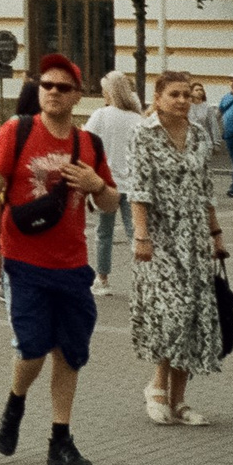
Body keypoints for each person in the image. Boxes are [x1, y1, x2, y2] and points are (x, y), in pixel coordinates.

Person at [0, 53, 120, 465]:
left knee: (70, 353)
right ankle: (15, 402)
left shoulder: (87, 144)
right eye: (47, 85)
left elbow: (110, 201)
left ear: (78, 96)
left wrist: (98, 185)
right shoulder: (16, 131)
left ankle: (61, 439)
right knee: (33, 348)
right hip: (23, 262)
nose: (53, 92)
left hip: (73, 265)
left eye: (63, 87)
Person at [130, 69, 228, 427]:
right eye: (174, 94)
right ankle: (156, 386)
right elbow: (138, 190)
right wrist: (141, 237)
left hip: (195, 238)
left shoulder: (200, 134)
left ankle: (180, 399)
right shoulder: (144, 134)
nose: (183, 100)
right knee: (172, 312)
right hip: (160, 240)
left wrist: (216, 234)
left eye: (187, 94)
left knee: (193, 316)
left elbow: (206, 189)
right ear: (157, 99)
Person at [84, 71, 142, 297]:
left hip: (107, 184)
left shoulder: (101, 115)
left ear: (111, 92)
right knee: (135, 233)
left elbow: (86, 142)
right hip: (132, 183)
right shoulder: (138, 118)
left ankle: (103, 279)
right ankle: (142, 278)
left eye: (104, 90)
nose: (102, 94)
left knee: (104, 233)